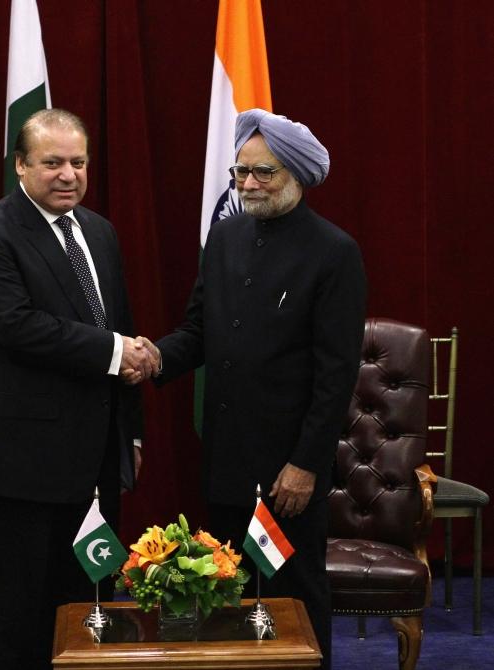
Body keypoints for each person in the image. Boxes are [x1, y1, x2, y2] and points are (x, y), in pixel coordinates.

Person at [130, 109, 366, 670]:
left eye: (265, 173)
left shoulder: (334, 252)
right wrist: (157, 357)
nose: (249, 185)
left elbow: (337, 375)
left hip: (289, 473)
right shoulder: (227, 234)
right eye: (241, 173)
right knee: (226, 598)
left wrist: (306, 464)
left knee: (292, 599)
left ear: (297, 177)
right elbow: (199, 332)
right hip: (227, 458)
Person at [0, 108, 156, 670]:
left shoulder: (100, 231)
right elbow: (18, 327)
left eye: (79, 162)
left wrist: (130, 431)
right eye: (52, 162)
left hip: (94, 466)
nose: (68, 174)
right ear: (20, 166)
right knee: (20, 619)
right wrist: (119, 352)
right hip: (18, 470)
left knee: (91, 609)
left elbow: (120, 322)